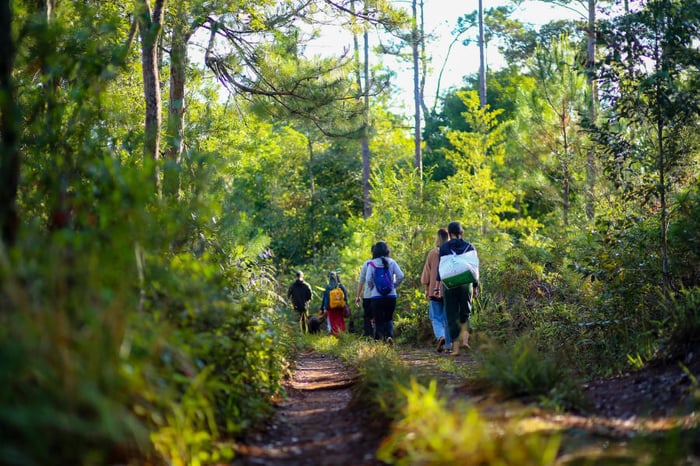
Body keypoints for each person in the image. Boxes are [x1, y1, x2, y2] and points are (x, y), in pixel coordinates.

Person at [435, 222, 479, 356]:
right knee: (465, 313)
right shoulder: (470, 247)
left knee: (452, 315)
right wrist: (476, 286)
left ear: (449, 233)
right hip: (466, 284)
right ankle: (465, 341)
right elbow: (475, 268)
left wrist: (437, 287)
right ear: (461, 232)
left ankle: (455, 349)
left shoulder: (444, 248)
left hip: (450, 284)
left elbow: (441, 269)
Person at [365, 241, 405, 345]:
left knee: (379, 320)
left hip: (376, 297)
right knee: (388, 318)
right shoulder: (392, 262)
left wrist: (373, 287)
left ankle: (381, 341)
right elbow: (401, 275)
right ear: (387, 250)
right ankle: (390, 336)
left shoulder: (372, 263)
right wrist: (393, 286)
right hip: (391, 296)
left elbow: (368, 279)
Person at [421, 228, 451, 353]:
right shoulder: (452, 252)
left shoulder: (433, 253)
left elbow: (426, 275)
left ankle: (441, 336)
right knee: (448, 317)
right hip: (449, 289)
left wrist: (426, 288)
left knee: (435, 318)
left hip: (434, 290)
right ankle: (448, 344)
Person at [354, 245, 376, 338]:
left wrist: (358, 296)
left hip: (368, 296)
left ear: (372, 252)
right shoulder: (388, 262)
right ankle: (381, 338)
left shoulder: (367, 263)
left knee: (367, 318)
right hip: (384, 296)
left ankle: (369, 338)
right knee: (381, 318)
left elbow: (361, 281)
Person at [320, 271, 349, 335]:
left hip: (331, 308)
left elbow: (325, 298)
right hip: (340, 307)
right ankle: (342, 334)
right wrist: (345, 304)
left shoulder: (328, 287)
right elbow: (345, 297)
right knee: (340, 320)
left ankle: (335, 334)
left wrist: (323, 308)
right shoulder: (340, 286)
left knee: (333, 322)